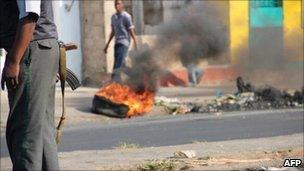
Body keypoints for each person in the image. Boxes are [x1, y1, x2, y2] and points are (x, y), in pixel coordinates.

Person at [1, 0, 60, 170]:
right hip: (38, 49)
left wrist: (13, 61)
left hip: (30, 51)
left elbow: (30, 14)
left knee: (25, 132)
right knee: (40, 131)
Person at [104, 0, 138, 82]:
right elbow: (113, 32)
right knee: (122, 64)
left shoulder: (126, 16)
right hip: (117, 42)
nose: (117, 6)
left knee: (117, 64)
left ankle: (114, 82)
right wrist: (107, 45)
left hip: (124, 42)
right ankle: (136, 75)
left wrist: (136, 42)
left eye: (118, 4)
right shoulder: (113, 17)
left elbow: (131, 30)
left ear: (122, 5)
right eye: (115, 4)